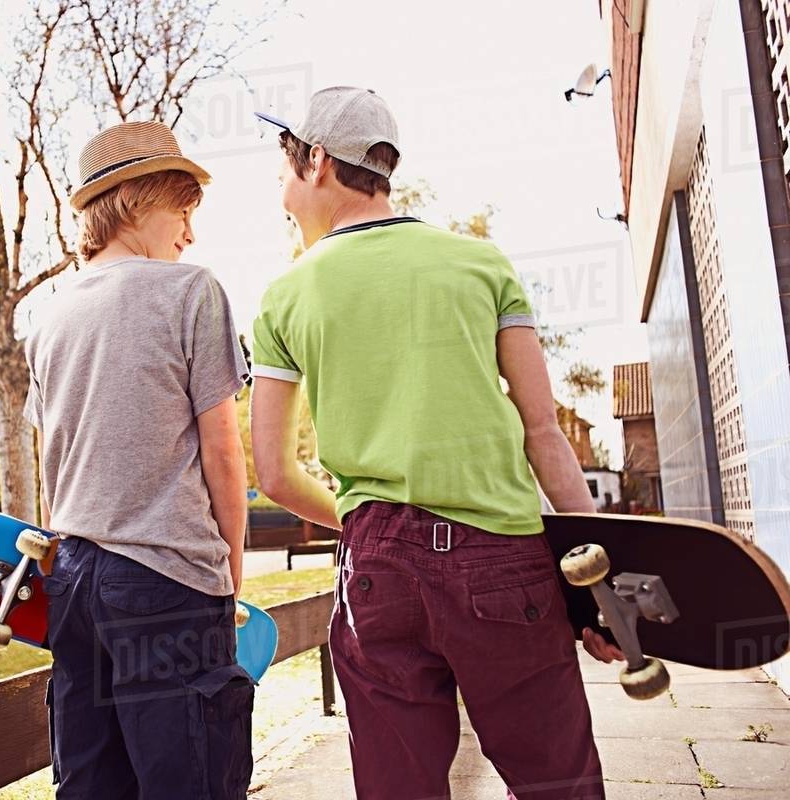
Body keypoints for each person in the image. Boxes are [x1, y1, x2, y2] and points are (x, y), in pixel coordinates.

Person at [248, 86, 624, 800]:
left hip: (378, 571)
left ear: (318, 161)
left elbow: (274, 471)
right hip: (506, 561)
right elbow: (544, 435)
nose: (283, 189)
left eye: (285, 169)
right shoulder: (483, 264)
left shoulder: (285, 295)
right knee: (559, 785)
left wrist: (365, 520)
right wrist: (596, 580)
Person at [23, 119, 253, 799]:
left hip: (74, 583)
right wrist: (230, 577)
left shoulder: (48, 315)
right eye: (183, 211)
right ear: (139, 200)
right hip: (168, 582)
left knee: (92, 784)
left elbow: (55, 454)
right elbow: (221, 449)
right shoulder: (191, 292)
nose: (190, 233)